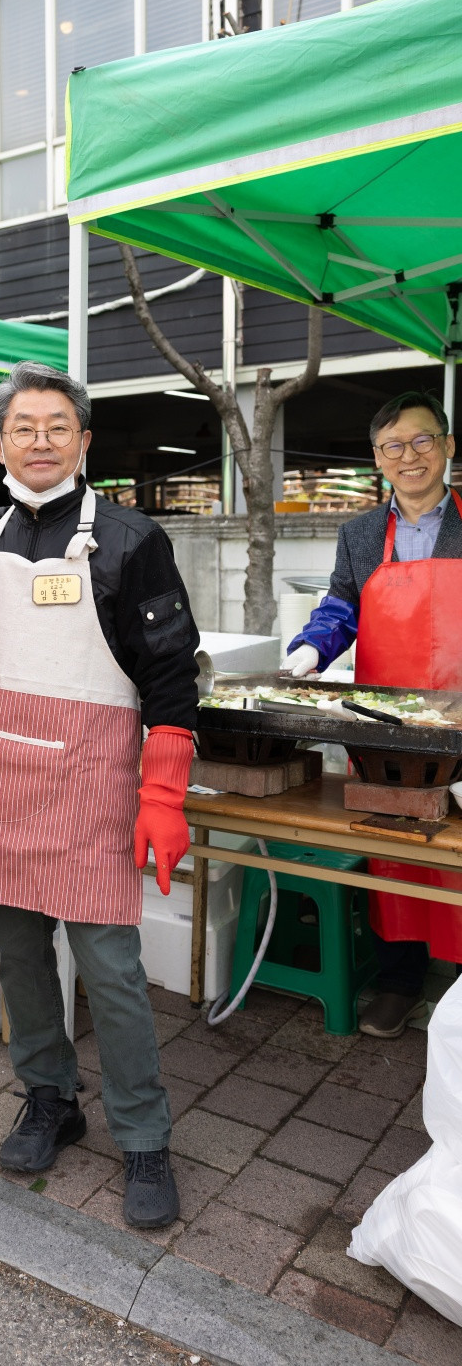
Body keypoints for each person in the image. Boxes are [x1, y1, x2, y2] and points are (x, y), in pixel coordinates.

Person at [0, 361, 199, 1231]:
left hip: (93, 786)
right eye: (24, 427)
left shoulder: (132, 539)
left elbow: (171, 678)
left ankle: (144, 1136)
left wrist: (163, 794)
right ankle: (49, 1097)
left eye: (58, 426)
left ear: (85, 440)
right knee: (20, 962)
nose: (41, 440)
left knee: (113, 973)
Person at [284, 389, 462, 1039]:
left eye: (421, 440)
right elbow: (341, 607)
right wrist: (310, 650)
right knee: (393, 850)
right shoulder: (359, 534)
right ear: (377, 459)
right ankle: (400, 982)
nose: (409, 456)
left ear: (447, 445)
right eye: (393, 446)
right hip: (387, 723)